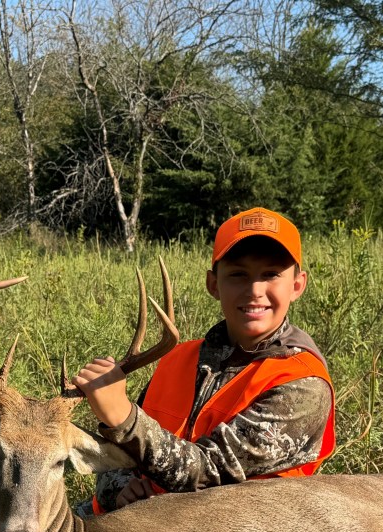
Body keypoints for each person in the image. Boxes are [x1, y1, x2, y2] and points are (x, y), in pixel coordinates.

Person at [72, 207, 335, 515]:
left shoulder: (302, 385)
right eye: (238, 274)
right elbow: (118, 455)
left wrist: (124, 418)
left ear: (297, 285)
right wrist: (119, 489)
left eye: (271, 275)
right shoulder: (177, 358)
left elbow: (208, 473)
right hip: (143, 525)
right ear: (213, 284)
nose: (254, 290)